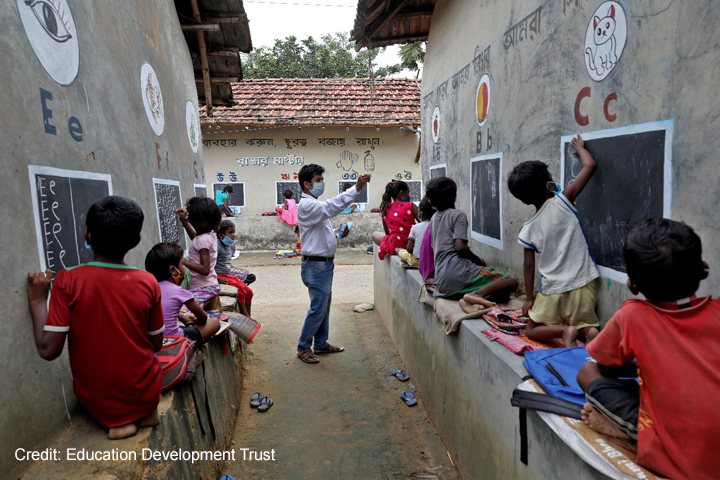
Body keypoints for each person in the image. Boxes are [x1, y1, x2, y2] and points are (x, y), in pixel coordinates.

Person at [576, 218, 720, 480]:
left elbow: (605, 367)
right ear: (703, 269)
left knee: (586, 372)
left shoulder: (632, 316)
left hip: (685, 461)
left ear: (632, 285)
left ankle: (633, 431)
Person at [26, 196, 163, 440]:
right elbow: (156, 344)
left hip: (102, 399)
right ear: (137, 240)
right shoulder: (148, 281)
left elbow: (48, 350)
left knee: (112, 404)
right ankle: (145, 411)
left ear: (87, 235)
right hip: (147, 389)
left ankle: (119, 423)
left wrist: (38, 301)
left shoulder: (69, 279)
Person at [508, 135, 599, 347]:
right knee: (586, 324)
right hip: (582, 284)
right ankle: (590, 333)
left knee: (532, 330)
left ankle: (564, 330)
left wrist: (530, 300)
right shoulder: (564, 201)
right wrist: (580, 148)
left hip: (552, 290)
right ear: (549, 184)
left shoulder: (527, 230)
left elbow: (528, 266)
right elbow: (590, 165)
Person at [295, 163, 371, 364]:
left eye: (321, 179)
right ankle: (304, 347)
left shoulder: (314, 205)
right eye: (318, 180)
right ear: (307, 184)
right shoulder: (309, 205)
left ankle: (320, 344)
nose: (321, 183)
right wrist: (356, 188)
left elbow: (319, 233)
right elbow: (332, 206)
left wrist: (337, 233)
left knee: (323, 306)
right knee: (318, 307)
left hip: (322, 264)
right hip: (316, 265)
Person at [426, 176, 517, 304]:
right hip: (457, 274)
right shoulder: (458, 215)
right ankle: (476, 295)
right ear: (454, 196)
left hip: (442, 282)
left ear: (432, 202)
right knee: (511, 282)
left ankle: (470, 298)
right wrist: (476, 260)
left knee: (503, 295)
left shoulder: (434, 218)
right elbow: (460, 248)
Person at [145, 242, 220, 343]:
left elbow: (161, 311)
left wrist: (183, 317)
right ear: (173, 270)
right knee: (215, 323)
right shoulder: (180, 292)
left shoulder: (149, 290)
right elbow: (203, 318)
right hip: (176, 340)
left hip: (153, 340)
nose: (184, 268)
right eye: (182, 264)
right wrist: (193, 321)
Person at [177, 197, 222, 311]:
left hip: (203, 288)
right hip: (209, 285)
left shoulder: (202, 239)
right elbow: (196, 241)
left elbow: (205, 269)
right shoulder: (208, 236)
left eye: (190, 217)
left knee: (182, 311)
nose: (189, 219)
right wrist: (185, 223)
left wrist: (182, 261)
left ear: (199, 221)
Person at [371, 180, 419, 260]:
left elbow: (387, 233)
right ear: (401, 193)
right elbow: (425, 223)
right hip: (411, 244)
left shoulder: (385, 209)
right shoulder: (411, 205)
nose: (408, 195)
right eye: (407, 193)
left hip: (394, 245)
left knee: (374, 234)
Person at [215, 220, 254, 317]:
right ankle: (245, 316)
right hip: (220, 276)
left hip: (228, 275)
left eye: (234, 232)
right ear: (221, 235)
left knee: (249, 292)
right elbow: (210, 265)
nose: (233, 235)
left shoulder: (229, 246)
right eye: (230, 232)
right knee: (240, 289)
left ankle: (248, 315)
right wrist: (217, 277)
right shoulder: (216, 247)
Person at [398, 196, 434, 267]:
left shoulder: (415, 227)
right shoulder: (438, 226)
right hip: (434, 262)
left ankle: (401, 254)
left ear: (420, 213)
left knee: (400, 251)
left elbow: (409, 249)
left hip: (418, 261)